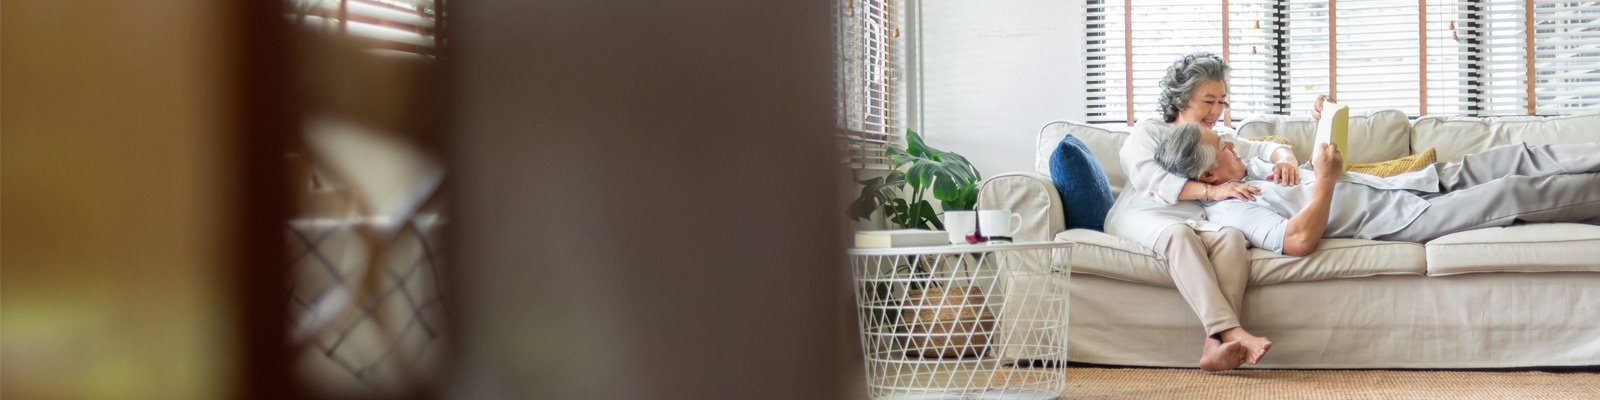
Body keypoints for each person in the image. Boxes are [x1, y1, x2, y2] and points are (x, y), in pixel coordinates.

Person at [1104, 52, 1298, 371]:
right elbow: (1151, 179)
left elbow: (1266, 147)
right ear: (1181, 99)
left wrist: (1286, 160)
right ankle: (1231, 331)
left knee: (1233, 238)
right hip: (1143, 215)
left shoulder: (1217, 138)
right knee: (1180, 235)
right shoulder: (1151, 132)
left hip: (1194, 221)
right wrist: (1213, 190)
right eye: (1209, 100)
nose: (1217, 111)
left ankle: (1214, 346)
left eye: (1222, 101)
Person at [1152, 122, 1600, 255]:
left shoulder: (1247, 170)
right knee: (1512, 192)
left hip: (1412, 184)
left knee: (1511, 157)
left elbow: (1278, 155)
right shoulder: (1231, 210)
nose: (1232, 144)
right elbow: (1299, 239)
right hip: (1404, 218)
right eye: (1222, 147)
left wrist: (1311, 146)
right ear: (1208, 175)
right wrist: (1325, 179)